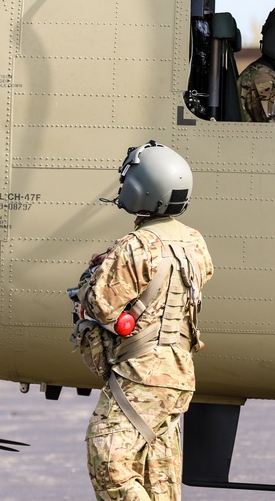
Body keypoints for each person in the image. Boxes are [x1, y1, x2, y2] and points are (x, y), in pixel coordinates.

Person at [78, 141, 213, 500]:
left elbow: (100, 305)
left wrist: (94, 273)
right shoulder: (194, 242)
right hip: (178, 375)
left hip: (141, 374)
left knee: (108, 460)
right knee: (158, 474)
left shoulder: (136, 246)